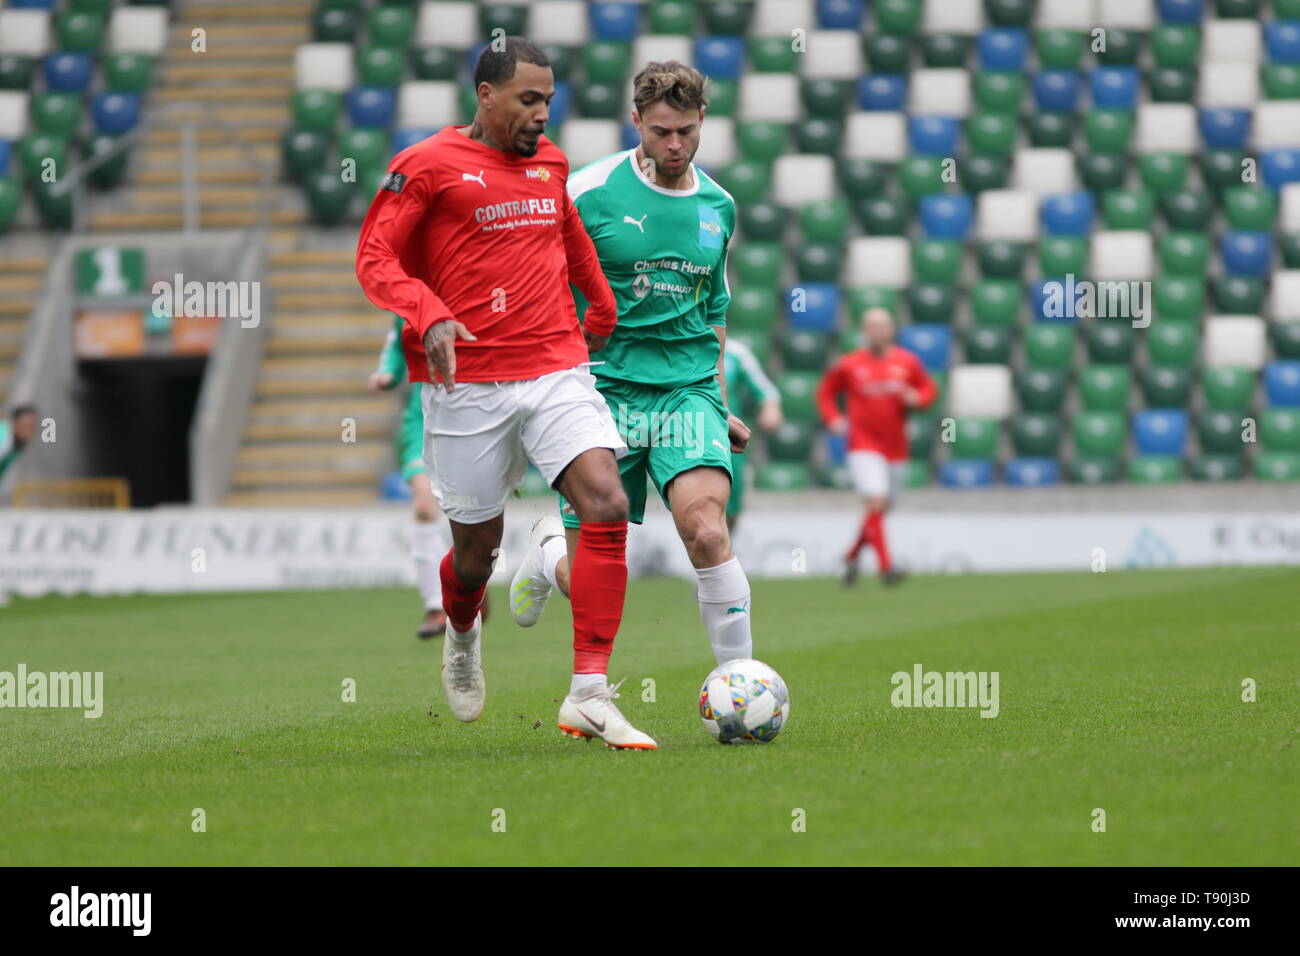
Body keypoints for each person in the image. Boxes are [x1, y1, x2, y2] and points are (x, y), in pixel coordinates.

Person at [355, 37, 655, 749]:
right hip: (468, 385)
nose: (541, 115)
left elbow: (568, 233)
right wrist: (428, 314)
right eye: (528, 100)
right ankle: (462, 633)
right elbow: (374, 258)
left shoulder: (550, 165)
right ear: (485, 95)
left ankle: (589, 693)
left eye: (548, 100)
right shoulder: (425, 165)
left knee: (607, 501)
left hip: (555, 365)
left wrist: (601, 307)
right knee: (474, 554)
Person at [508, 61, 758, 670]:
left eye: (687, 132)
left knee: (704, 529)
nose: (674, 146)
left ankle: (739, 682)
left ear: (703, 122)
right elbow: (536, 284)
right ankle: (546, 555)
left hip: (686, 391)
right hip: (600, 393)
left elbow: (714, 309)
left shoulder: (718, 206)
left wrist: (718, 401)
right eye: (660, 132)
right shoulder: (587, 193)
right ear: (636, 122)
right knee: (596, 577)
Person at [816, 308, 937, 587]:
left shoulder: (907, 362)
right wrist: (833, 418)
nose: (878, 332)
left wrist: (917, 398)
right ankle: (887, 567)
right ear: (864, 331)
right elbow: (825, 392)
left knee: (879, 509)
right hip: (862, 444)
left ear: (892, 330)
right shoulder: (849, 364)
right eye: (872, 327)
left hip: (896, 447)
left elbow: (929, 389)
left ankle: (851, 555)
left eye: (883, 326)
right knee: (877, 502)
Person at [368, 314, 448, 640]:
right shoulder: (408, 305)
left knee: (470, 514)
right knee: (424, 507)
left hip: (469, 420)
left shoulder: (470, 287)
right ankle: (435, 606)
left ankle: (464, 582)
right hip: (421, 424)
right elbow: (395, 347)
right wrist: (386, 374)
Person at [722, 337, 782, 532]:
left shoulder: (736, 352)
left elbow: (765, 388)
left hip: (727, 435)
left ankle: (724, 548)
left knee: (732, 495)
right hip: (690, 428)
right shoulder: (681, 344)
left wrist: (770, 407)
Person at [0, 404, 38, 483]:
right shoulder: (3, 440)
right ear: (14, 423)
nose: (29, 433)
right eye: (25, 427)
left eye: (33, 427)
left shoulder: (17, 444)